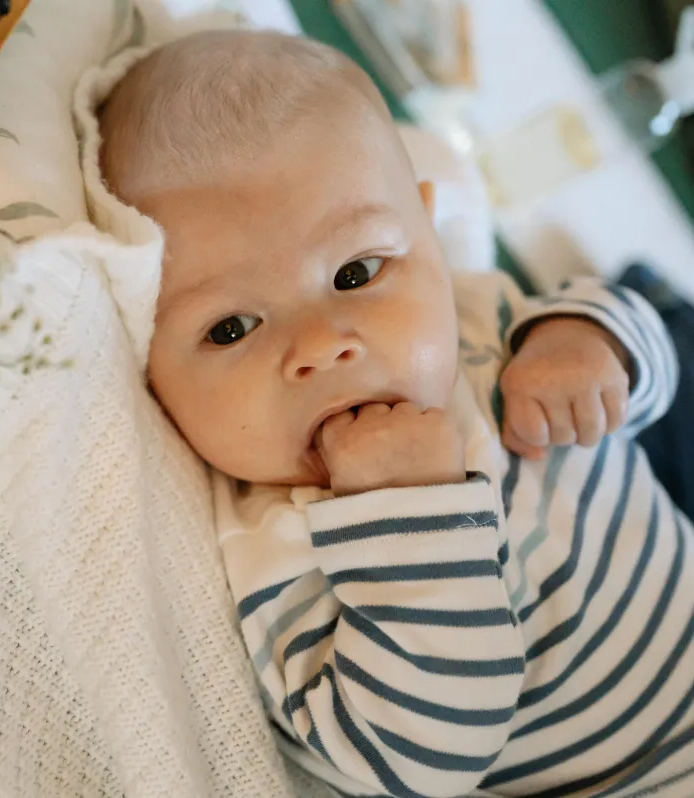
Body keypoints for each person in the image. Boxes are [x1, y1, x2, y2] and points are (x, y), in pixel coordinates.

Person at [98, 29, 692, 798]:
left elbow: (647, 380)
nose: (321, 346)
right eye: (232, 327)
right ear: (148, 370)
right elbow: (420, 764)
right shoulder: (276, 550)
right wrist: (408, 512)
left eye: (355, 272)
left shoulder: (480, 317)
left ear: (429, 235)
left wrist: (591, 344)